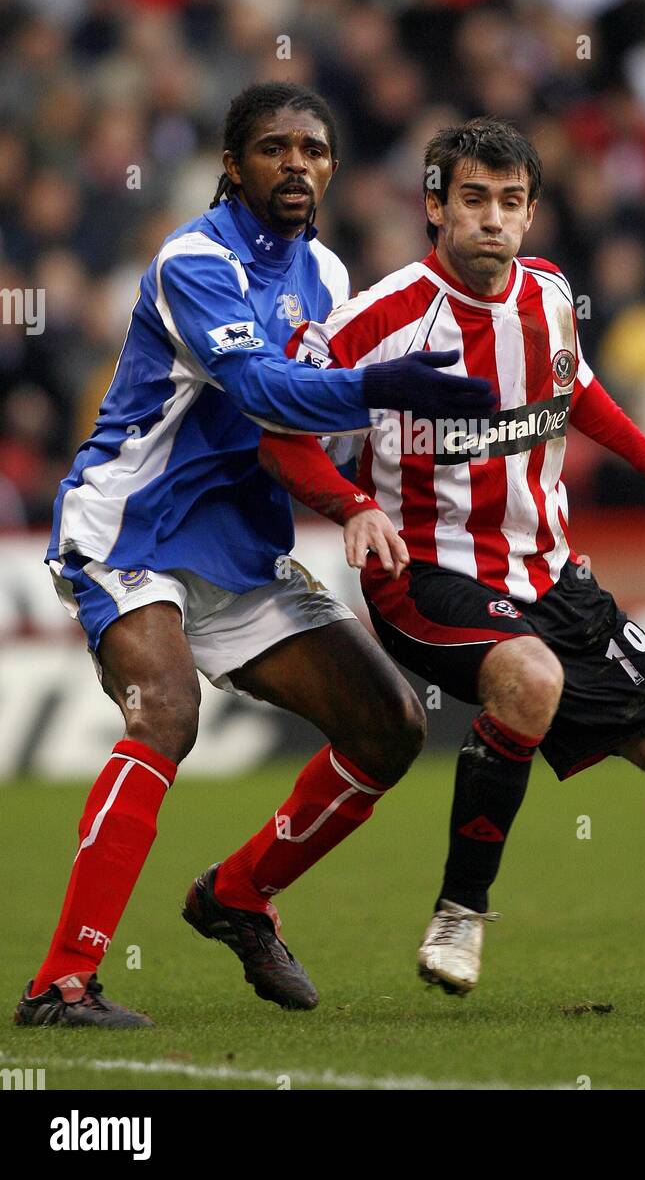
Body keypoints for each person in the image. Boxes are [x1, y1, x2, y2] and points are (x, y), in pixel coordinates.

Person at [259, 117, 645, 1004]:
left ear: (530, 213)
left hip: (552, 578)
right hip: (423, 576)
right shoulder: (377, 317)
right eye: (472, 200)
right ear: (435, 207)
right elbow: (280, 427)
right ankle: (461, 909)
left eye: (510, 202)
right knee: (528, 680)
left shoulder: (546, 295)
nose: (492, 219)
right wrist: (349, 508)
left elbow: (570, 386)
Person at [14, 83, 495, 1029]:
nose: (297, 165)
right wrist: (381, 386)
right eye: (274, 148)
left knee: (388, 726)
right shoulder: (193, 260)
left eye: (314, 149)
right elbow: (264, 386)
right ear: (233, 166)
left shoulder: (325, 275)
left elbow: (312, 438)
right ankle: (61, 985)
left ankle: (236, 895)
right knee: (166, 715)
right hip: (133, 528)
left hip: (241, 547)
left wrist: (361, 497)